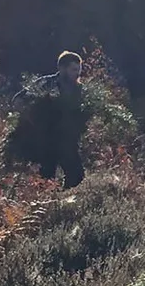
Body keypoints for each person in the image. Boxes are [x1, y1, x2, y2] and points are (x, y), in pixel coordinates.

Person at [9, 51, 89, 188]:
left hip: (68, 140)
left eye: (79, 70)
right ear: (62, 68)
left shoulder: (80, 89)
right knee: (46, 178)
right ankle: (47, 206)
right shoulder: (46, 83)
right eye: (73, 70)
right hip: (46, 140)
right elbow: (18, 100)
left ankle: (66, 205)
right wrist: (29, 118)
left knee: (77, 177)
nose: (77, 73)